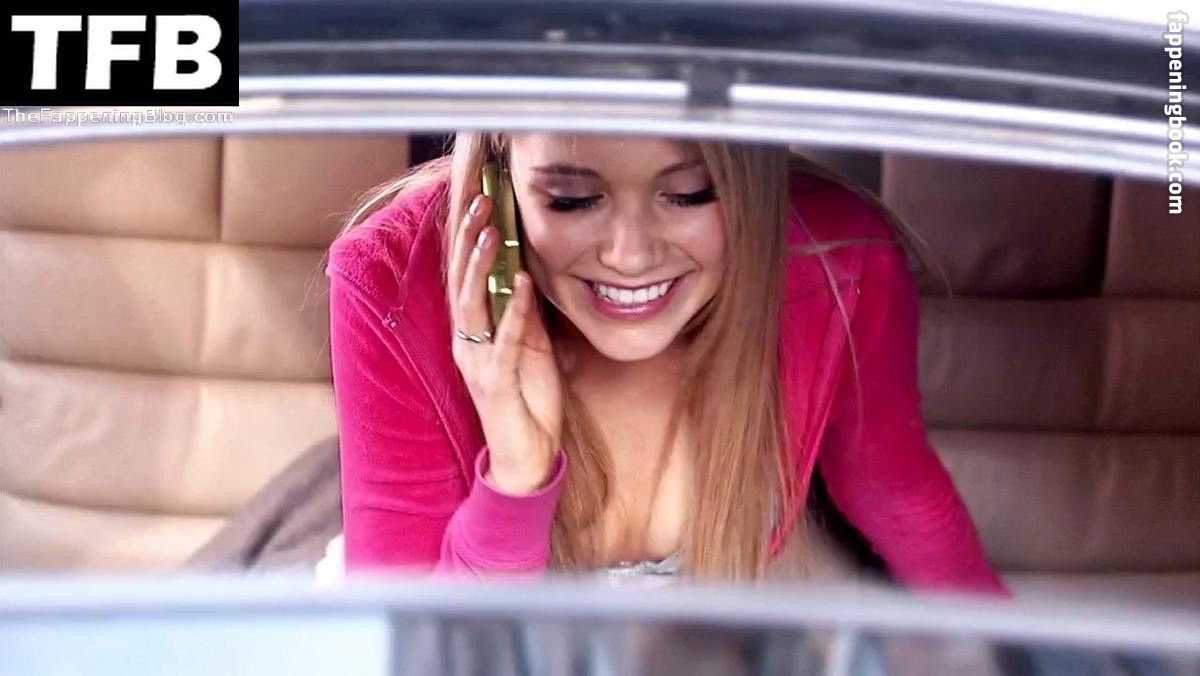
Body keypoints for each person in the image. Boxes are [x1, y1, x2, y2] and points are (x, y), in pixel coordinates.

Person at [326, 132, 1008, 594]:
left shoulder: (838, 262)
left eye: (689, 194)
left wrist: (1008, 659)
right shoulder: (391, 281)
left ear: (753, 174)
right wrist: (514, 481)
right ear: (502, 165)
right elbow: (414, 650)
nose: (630, 255)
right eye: (572, 199)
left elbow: (894, 486)